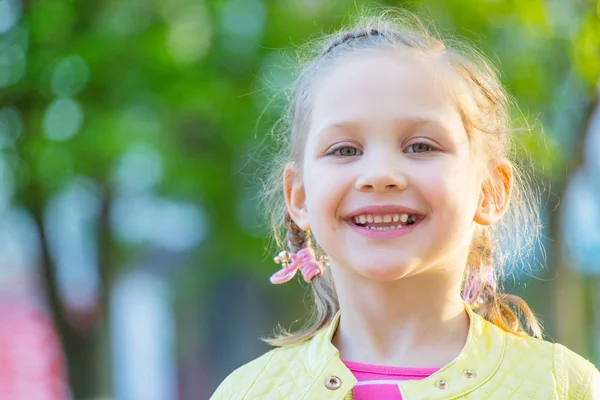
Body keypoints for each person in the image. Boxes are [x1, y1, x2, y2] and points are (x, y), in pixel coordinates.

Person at [210, 8, 600, 400]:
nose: (380, 174)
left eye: (420, 146)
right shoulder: (249, 393)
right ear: (300, 196)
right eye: (345, 150)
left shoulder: (562, 385)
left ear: (489, 190)